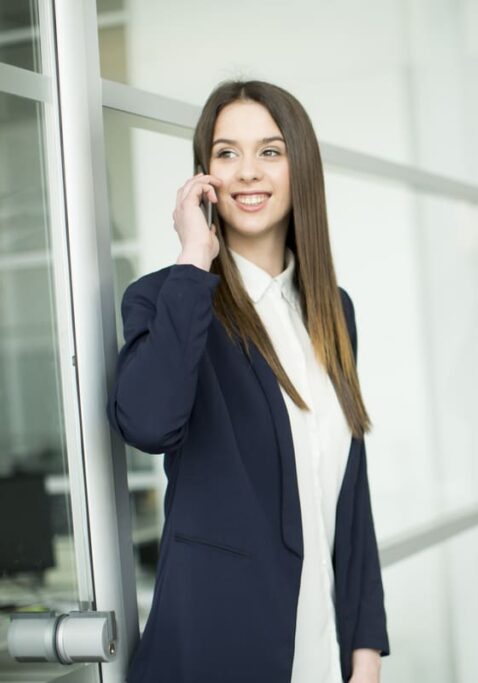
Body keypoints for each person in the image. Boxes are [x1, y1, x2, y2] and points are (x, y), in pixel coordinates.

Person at [107, 80, 388, 683]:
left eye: (270, 151)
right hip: (219, 649)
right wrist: (192, 257)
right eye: (226, 153)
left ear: (300, 169)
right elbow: (148, 423)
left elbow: (349, 495)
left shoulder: (333, 311)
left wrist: (364, 651)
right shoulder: (168, 297)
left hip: (322, 652)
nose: (246, 173)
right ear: (203, 175)